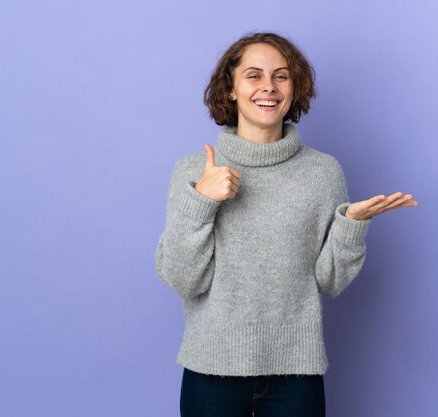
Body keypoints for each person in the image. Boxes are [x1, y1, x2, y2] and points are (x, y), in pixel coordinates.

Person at [154, 32, 417, 417]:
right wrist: (203, 201)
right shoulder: (194, 172)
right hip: (211, 373)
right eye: (254, 75)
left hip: (297, 376)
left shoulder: (323, 173)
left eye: (281, 76)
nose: (268, 87)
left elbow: (328, 282)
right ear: (230, 89)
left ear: (295, 89)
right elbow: (183, 280)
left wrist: (351, 226)